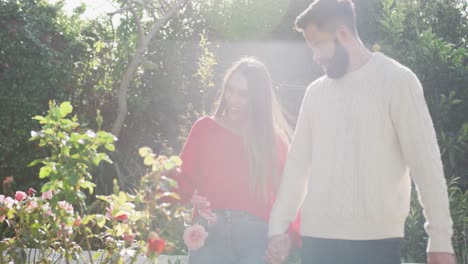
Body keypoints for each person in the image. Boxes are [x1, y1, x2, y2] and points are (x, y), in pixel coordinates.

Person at [265, 1, 456, 264]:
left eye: (318, 45)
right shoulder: (315, 94)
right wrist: (278, 228)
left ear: (343, 34)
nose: (315, 56)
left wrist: (440, 240)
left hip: (376, 244)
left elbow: (426, 164)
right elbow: (298, 168)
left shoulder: (397, 81)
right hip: (318, 243)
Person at [175, 57, 301, 264]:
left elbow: (289, 195)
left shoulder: (272, 140)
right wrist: (185, 194)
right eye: (230, 90)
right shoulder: (204, 128)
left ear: (258, 99)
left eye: (243, 94)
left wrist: (287, 237)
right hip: (209, 236)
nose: (233, 99)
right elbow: (180, 181)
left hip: (257, 241)